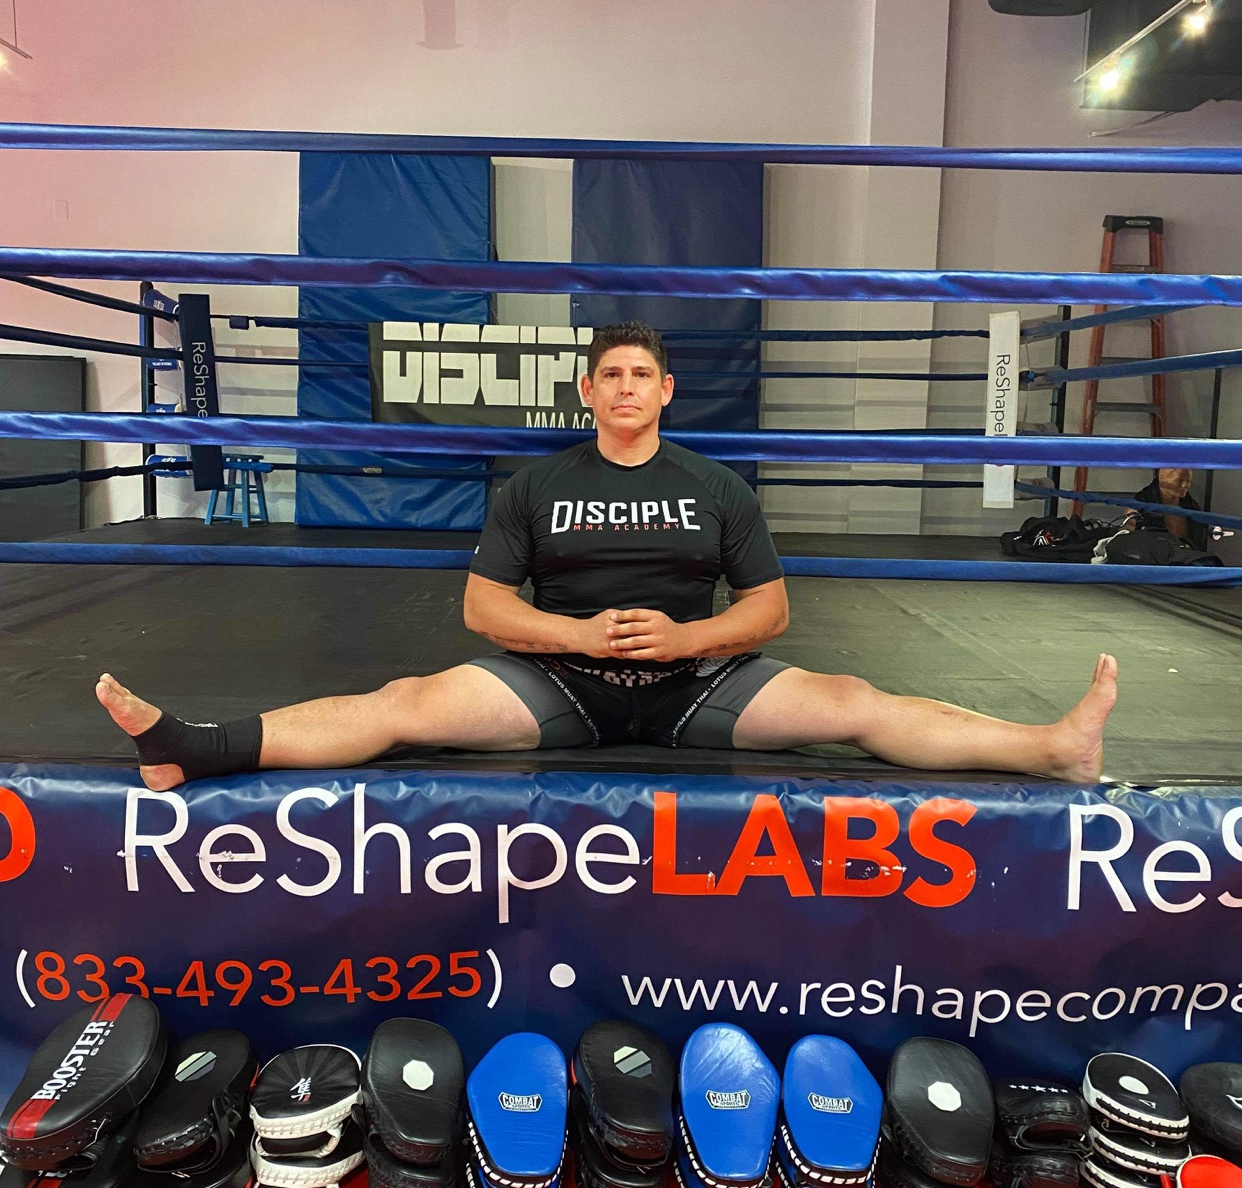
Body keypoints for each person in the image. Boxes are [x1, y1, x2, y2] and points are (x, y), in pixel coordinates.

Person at [97, 322, 1117, 789]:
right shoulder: (535, 484)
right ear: (587, 392)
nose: (626, 387)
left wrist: (687, 639)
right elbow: (484, 609)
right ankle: (197, 745)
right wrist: (575, 634)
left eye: (642, 375)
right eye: (610, 375)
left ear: (666, 392)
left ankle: (1052, 748)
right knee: (405, 702)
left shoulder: (716, 485)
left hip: (699, 683)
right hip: (559, 681)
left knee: (851, 701)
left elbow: (769, 610)